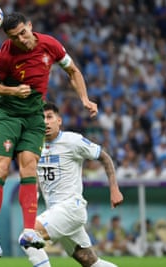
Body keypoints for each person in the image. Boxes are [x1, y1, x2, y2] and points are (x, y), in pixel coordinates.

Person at [0, 12, 98, 258]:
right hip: (8, 115)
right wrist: (12, 91)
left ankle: (29, 230)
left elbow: (73, 71)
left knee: (29, 168)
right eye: (14, 36)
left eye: (23, 33)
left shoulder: (50, 45)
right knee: (1, 168)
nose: (21, 39)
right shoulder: (5, 54)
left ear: (30, 26)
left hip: (34, 114)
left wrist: (85, 99)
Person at [21, 103, 122, 267]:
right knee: (89, 261)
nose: (45, 122)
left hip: (71, 208)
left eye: (49, 117)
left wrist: (114, 188)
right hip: (56, 212)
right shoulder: (34, 147)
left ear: (59, 120)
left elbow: (104, 157)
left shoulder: (72, 141)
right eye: (41, 118)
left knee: (28, 237)